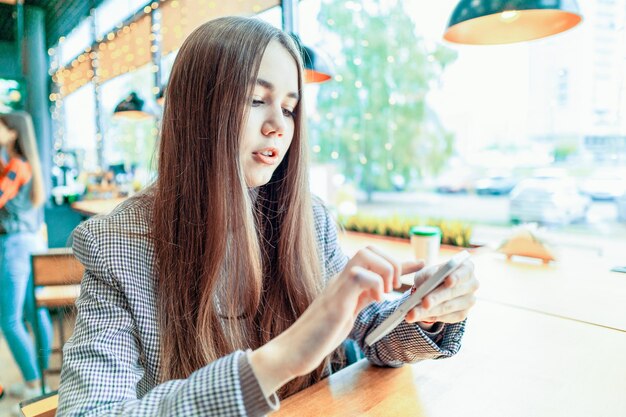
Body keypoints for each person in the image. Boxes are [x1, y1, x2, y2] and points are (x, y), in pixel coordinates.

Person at [58, 16, 479, 417]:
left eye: (290, 108)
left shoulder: (308, 218)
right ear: (197, 111)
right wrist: (277, 361)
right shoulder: (117, 244)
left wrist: (429, 313)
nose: (279, 125)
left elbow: (373, 338)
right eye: (257, 100)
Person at [0, 112, 52, 400]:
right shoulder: (23, 163)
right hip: (33, 241)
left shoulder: (16, 166)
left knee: (8, 319)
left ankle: (33, 384)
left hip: (15, 245)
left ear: (13, 133)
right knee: (35, 311)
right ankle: (41, 379)